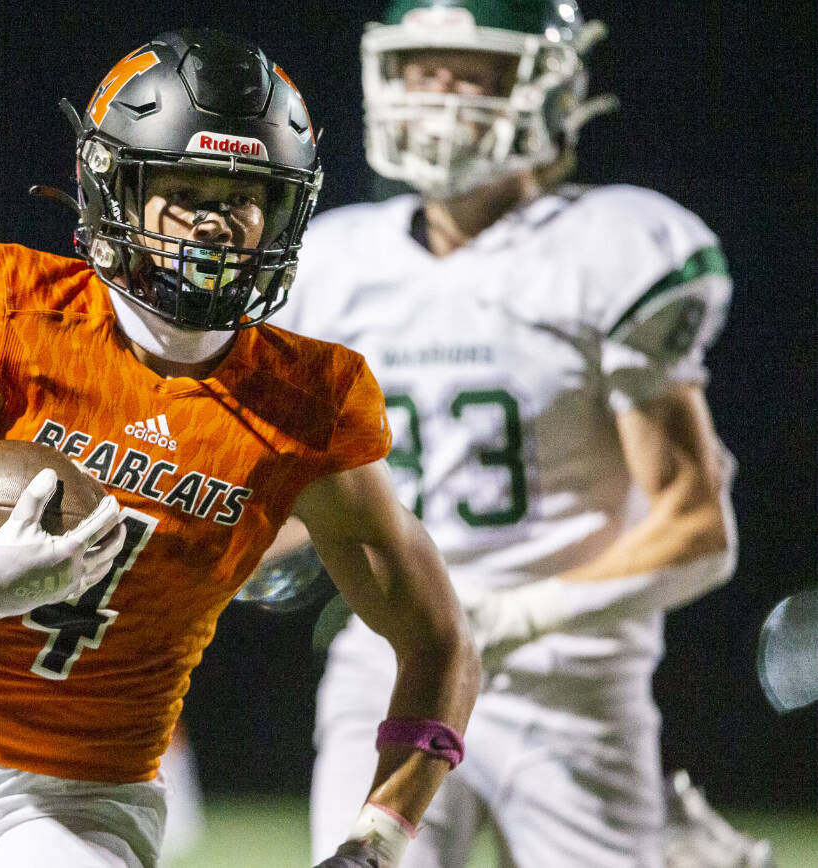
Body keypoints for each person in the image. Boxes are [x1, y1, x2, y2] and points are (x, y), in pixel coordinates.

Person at [0, 29, 480, 868]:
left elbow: (439, 642)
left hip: (77, 802)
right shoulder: (14, 303)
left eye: (246, 195)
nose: (215, 224)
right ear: (115, 189)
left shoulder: (310, 401)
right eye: (184, 189)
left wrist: (381, 835)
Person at [266, 2, 773, 866]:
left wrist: (512, 615)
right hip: (386, 662)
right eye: (417, 67)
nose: (433, 93)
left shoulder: (610, 248)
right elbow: (293, 503)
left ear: (546, 87)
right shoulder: (334, 262)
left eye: (467, 70)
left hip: (567, 679)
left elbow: (699, 528)